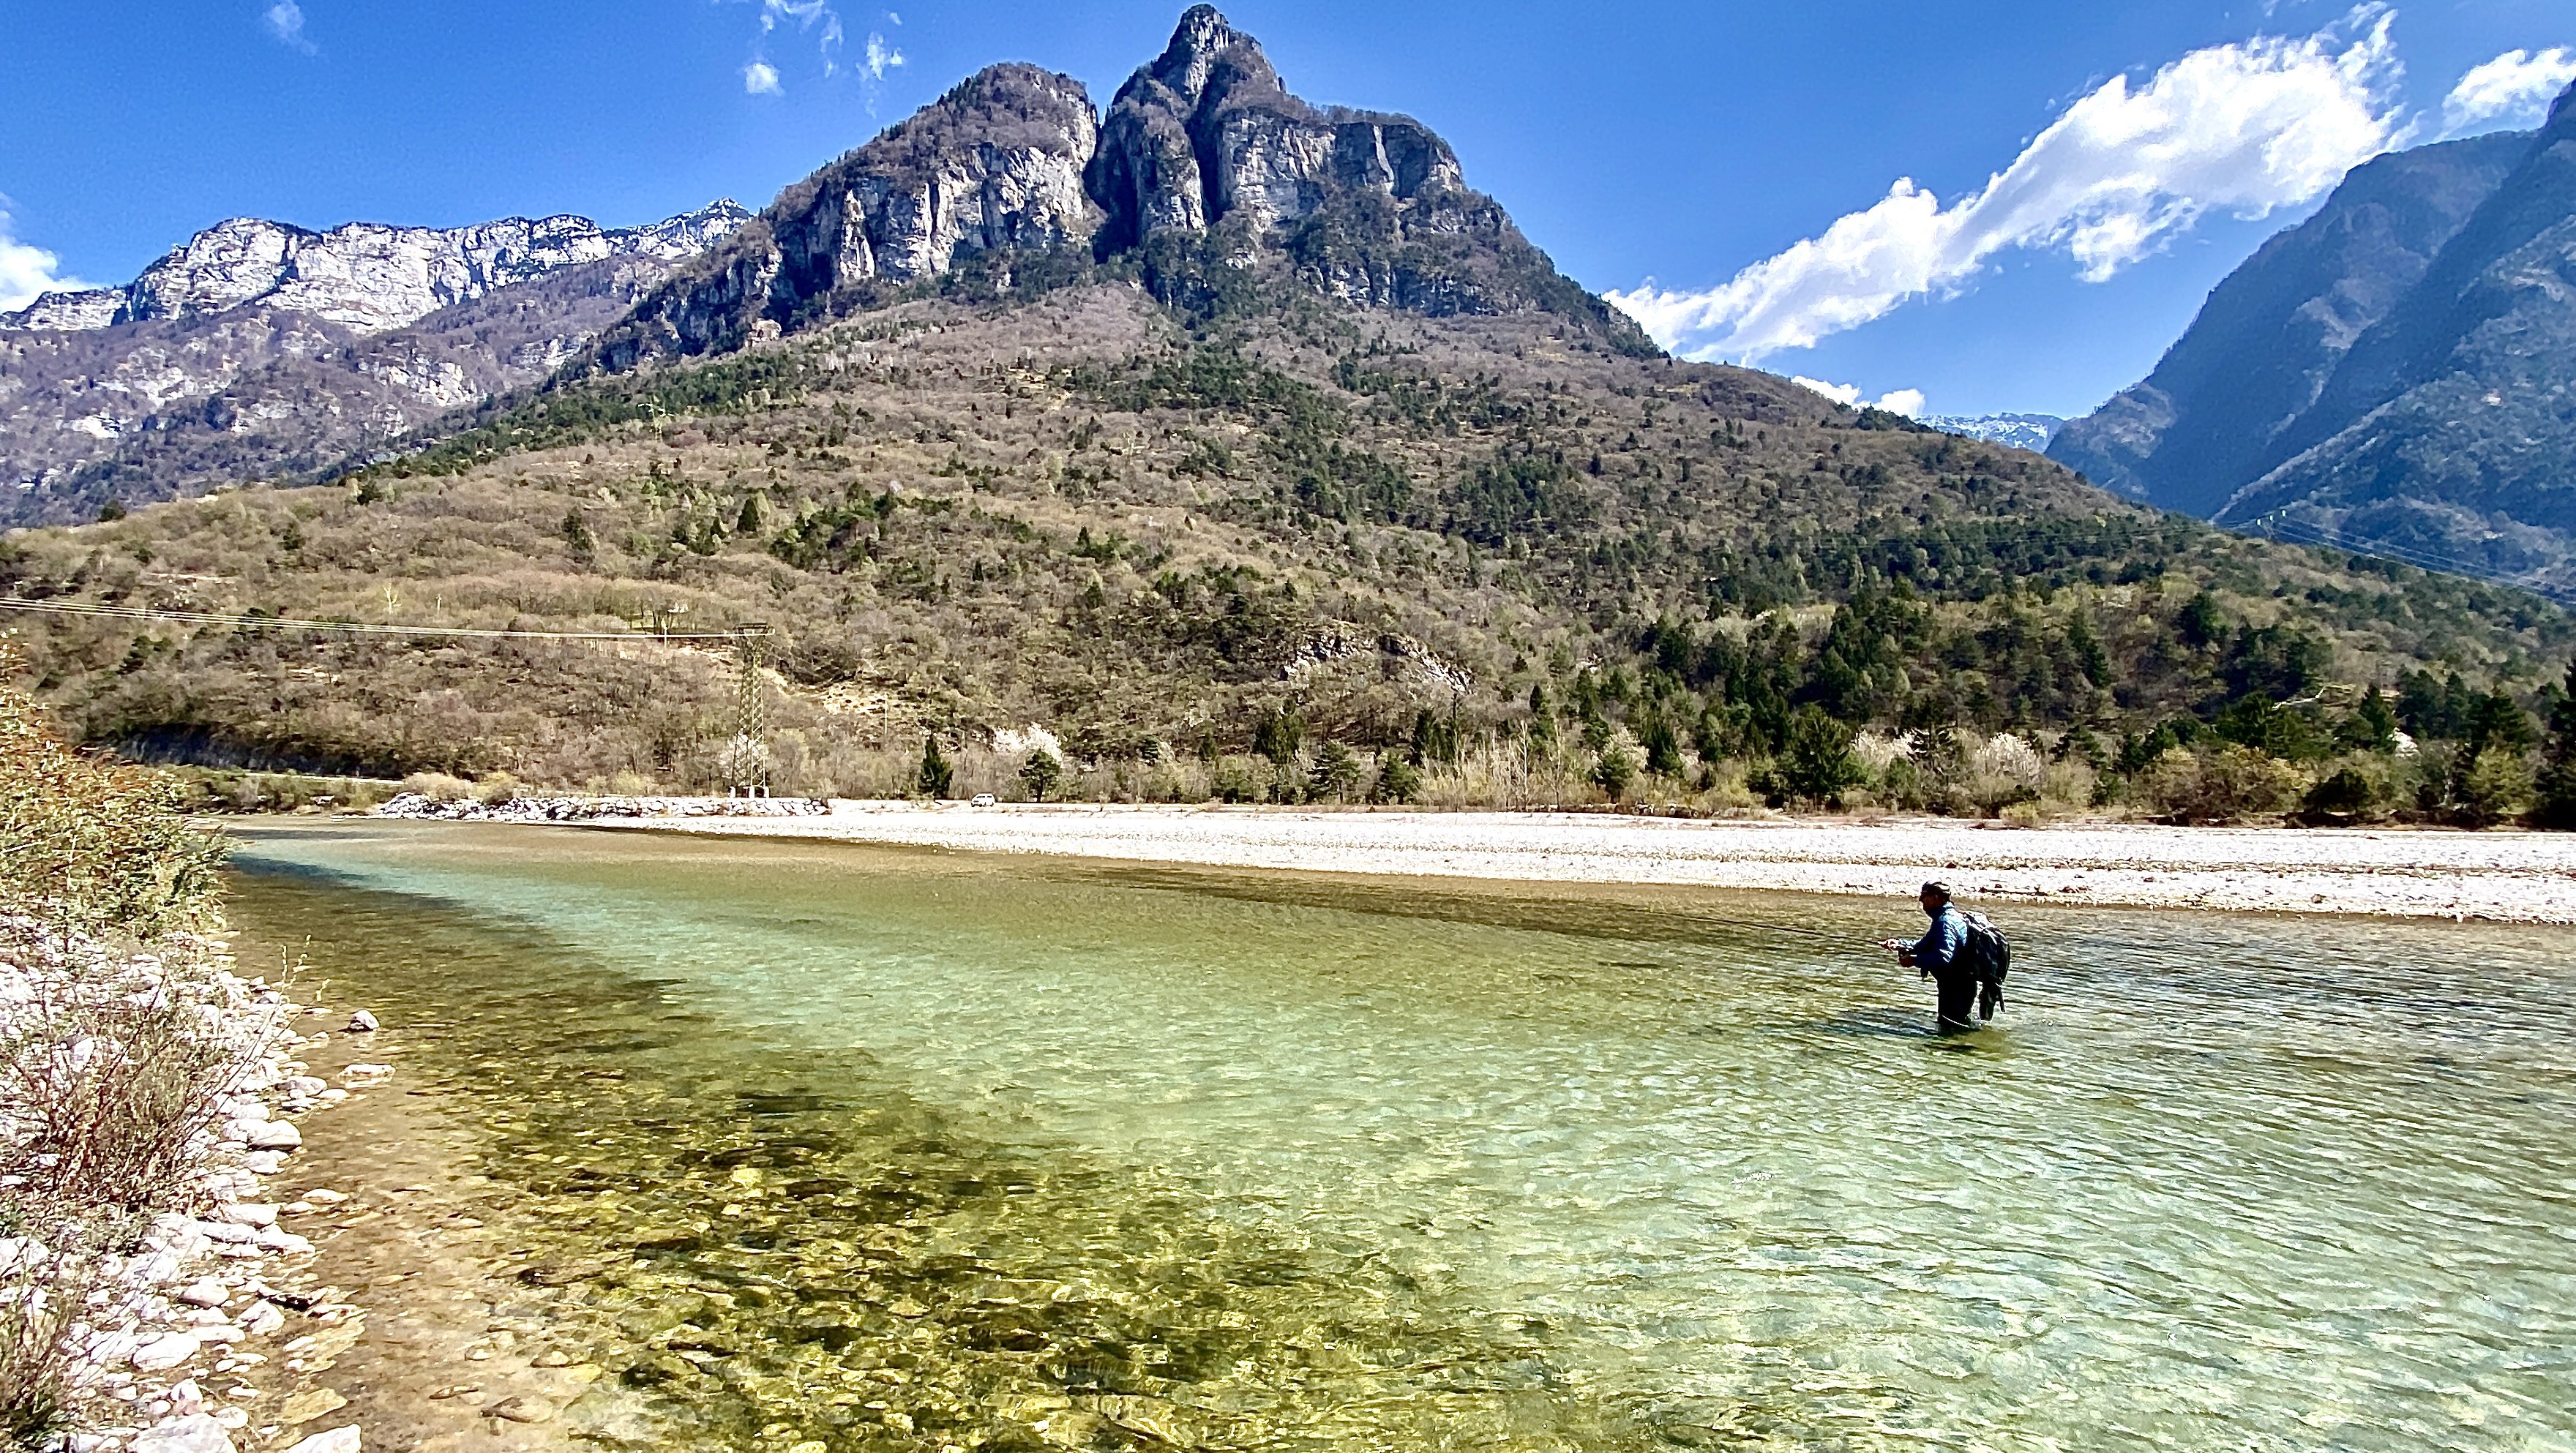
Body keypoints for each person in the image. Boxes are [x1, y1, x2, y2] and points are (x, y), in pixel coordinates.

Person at [1883, 882, 1980, 1032]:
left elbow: (1943, 957)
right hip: (1961, 987)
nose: (1921, 900)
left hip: (1956, 990)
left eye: (1924, 896)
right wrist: (1900, 944)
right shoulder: (1951, 917)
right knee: (1957, 1028)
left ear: (1936, 898)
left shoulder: (1945, 922)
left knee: (1950, 1032)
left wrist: (1913, 960)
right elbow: (1925, 944)